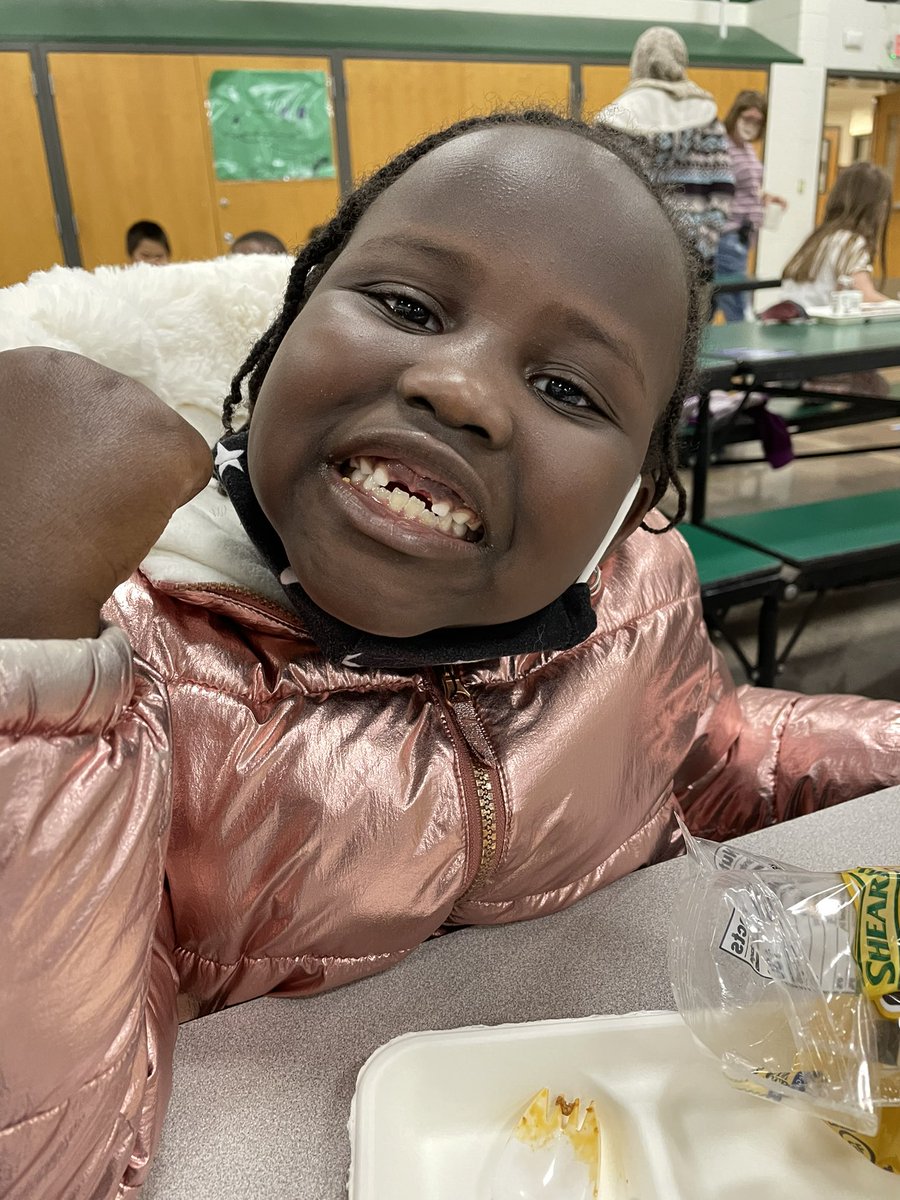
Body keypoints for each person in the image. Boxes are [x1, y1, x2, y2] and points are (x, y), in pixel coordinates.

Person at [2, 110, 897, 1198]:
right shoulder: (125, 690)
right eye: (406, 305)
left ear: (636, 498)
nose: (459, 388)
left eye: (569, 389)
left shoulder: (632, 586)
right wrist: (32, 656)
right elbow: (46, 1158)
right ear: (285, 326)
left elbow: (704, 747)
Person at [598, 26, 734, 280]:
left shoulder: (616, 118)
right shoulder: (707, 117)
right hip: (696, 256)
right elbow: (723, 189)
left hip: (635, 255)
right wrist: (701, 248)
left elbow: (607, 194)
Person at [714, 90, 787, 322]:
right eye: (747, 119)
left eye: (757, 122)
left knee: (710, 305)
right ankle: (744, 355)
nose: (751, 125)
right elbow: (720, 189)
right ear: (736, 115)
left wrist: (766, 198)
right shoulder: (722, 147)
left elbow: (746, 188)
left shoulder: (746, 148)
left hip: (743, 237)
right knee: (737, 305)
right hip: (728, 237)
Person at [780, 162, 893, 309]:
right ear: (879, 207)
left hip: (791, 321)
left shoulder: (819, 238)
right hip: (814, 327)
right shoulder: (851, 242)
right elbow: (866, 297)